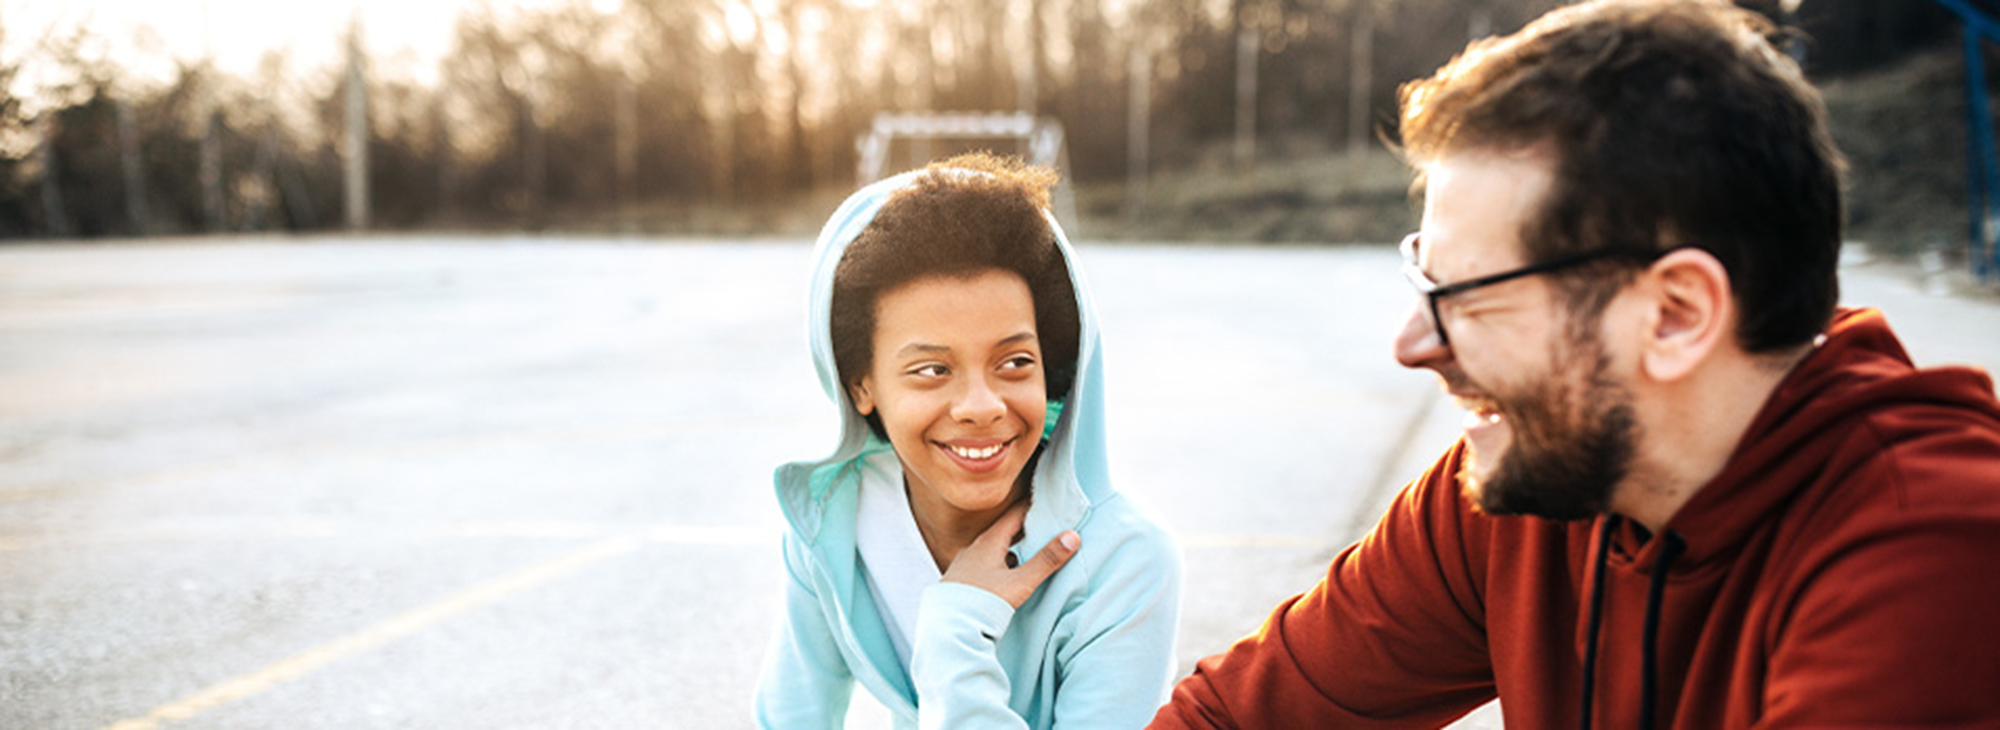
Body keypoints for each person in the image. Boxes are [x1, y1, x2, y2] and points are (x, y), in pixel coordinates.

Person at [1136, 0, 2000, 727]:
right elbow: (1234, 718)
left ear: (1674, 315)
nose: (1411, 344)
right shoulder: (1536, 479)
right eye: (1421, 279)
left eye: (1467, 297)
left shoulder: (1932, 553)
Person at [755, 153, 1181, 729]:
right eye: (932, 370)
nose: (982, 406)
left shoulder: (1123, 559)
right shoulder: (831, 521)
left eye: (1014, 361)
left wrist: (956, 630)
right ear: (860, 385)